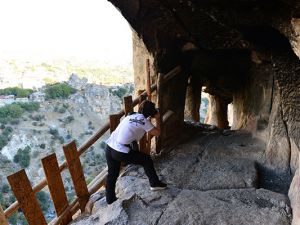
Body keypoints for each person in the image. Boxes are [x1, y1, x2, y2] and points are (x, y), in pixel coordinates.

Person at [105, 100, 167, 204]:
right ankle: (154, 183)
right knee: (146, 160)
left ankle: (110, 200)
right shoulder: (143, 121)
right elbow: (157, 133)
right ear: (151, 112)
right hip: (120, 150)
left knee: (112, 174)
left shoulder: (130, 116)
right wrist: (158, 118)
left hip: (109, 147)